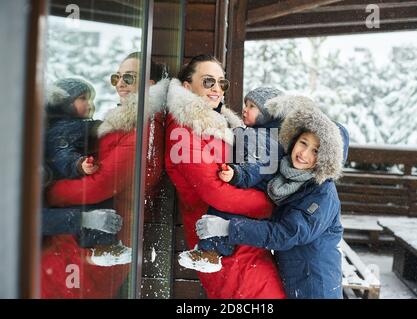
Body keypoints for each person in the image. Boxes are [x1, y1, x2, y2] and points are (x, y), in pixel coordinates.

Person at [196, 96, 350, 299]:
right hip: (293, 279)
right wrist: (237, 175)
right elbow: (260, 173)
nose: (303, 153)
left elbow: (286, 234)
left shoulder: (321, 194)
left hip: (316, 287)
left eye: (316, 151)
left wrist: (228, 228)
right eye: (303, 143)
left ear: (327, 159)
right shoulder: (289, 175)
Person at [41, 52, 167, 298]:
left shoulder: (143, 127)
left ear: (150, 85)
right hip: (78, 239)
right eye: (116, 77)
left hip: (99, 242)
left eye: (129, 78)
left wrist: (49, 192)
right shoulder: (122, 122)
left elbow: (101, 186)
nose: (120, 83)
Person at [165, 54, 286, 298]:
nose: (217, 89)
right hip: (220, 249)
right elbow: (216, 192)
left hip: (244, 239)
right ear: (187, 87)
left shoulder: (223, 125)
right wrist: (270, 204)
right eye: (208, 81)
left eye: (222, 83)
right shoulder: (183, 130)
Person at [178, 87, 290, 272]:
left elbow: (258, 165)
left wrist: (238, 174)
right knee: (222, 209)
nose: (245, 109)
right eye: (246, 104)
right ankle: (209, 250)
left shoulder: (268, 139)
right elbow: (238, 134)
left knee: (224, 210)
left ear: (269, 114)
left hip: (254, 186)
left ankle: (211, 252)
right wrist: (220, 112)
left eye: (252, 106)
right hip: (249, 184)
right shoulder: (258, 133)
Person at [43, 78, 123, 248]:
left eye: (91, 99)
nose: (90, 104)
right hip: (70, 179)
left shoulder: (68, 126)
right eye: (83, 98)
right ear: (65, 103)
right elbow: (62, 154)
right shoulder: (62, 129)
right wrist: (78, 164)